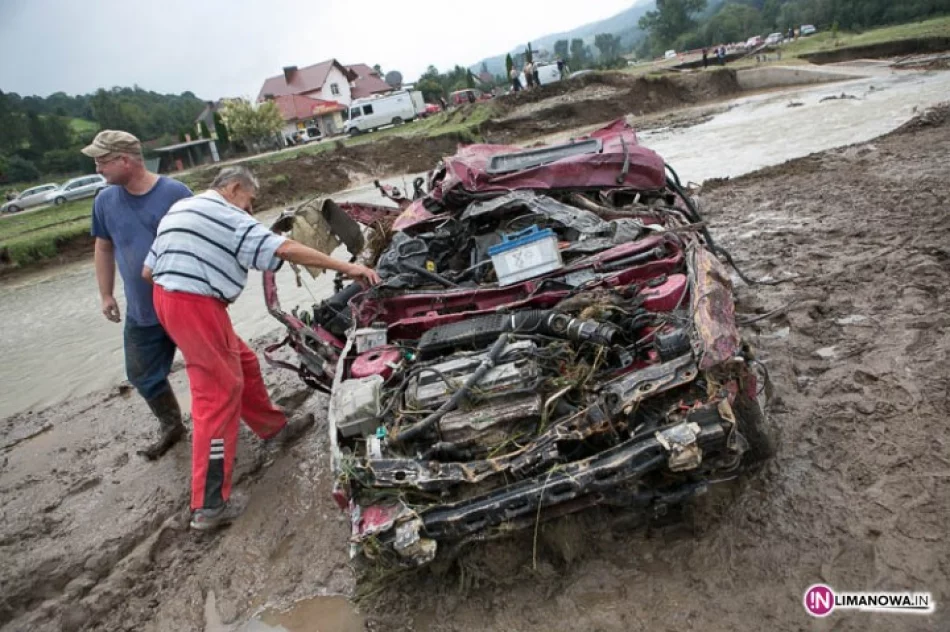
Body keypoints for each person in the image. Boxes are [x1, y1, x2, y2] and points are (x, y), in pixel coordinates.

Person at [143, 166, 380, 531]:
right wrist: (348, 268)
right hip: (194, 304)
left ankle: (273, 427)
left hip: (169, 297)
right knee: (218, 395)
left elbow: (148, 272)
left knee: (244, 362)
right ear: (235, 188)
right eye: (250, 201)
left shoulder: (185, 208)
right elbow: (283, 248)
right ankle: (208, 507)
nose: (250, 210)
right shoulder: (227, 213)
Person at [82, 130, 193, 460]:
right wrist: (105, 294)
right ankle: (172, 425)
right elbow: (103, 246)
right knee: (142, 374)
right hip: (142, 311)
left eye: (102, 161)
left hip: (185, 304)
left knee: (216, 363)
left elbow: (201, 240)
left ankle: (251, 419)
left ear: (124, 160)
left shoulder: (176, 193)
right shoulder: (104, 201)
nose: (98, 169)